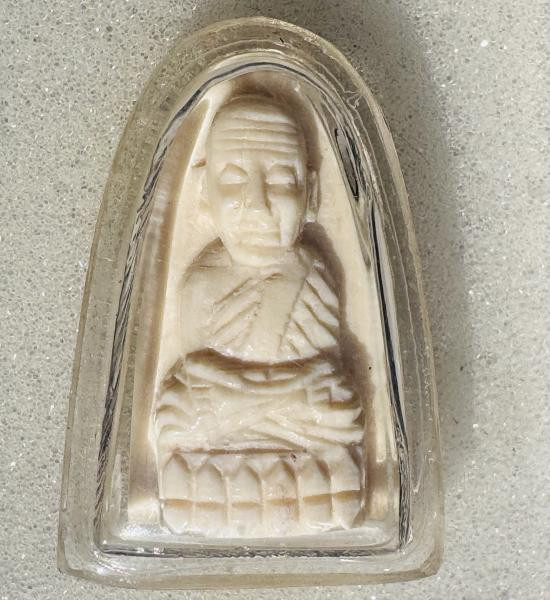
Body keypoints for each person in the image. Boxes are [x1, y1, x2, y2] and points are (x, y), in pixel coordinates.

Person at [154, 95, 365, 537]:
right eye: (233, 180)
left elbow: (326, 376)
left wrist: (267, 397)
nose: (258, 205)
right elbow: (197, 375)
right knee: (178, 414)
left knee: (341, 411)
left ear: (312, 193)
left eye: (282, 180)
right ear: (204, 194)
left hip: (289, 429)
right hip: (229, 426)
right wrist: (284, 395)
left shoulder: (314, 274)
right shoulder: (201, 281)